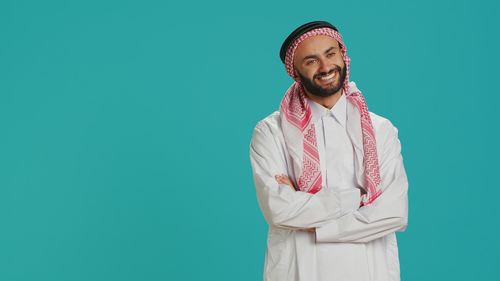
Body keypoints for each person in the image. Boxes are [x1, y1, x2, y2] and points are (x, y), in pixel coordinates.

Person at [249, 21, 409, 281]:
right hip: (300, 271)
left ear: (343, 55)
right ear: (295, 72)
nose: (325, 67)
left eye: (330, 54)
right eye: (311, 61)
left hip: (370, 271)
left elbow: (394, 213)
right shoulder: (271, 132)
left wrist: (314, 222)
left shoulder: (381, 130)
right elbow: (279, 209)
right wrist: (356, 199)